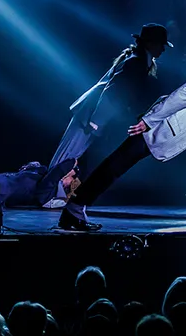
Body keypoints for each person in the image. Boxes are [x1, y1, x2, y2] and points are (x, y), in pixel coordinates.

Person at [58, 44, 186, 231]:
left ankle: (75, 210)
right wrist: (150, 120)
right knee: (113, 167)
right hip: (157, 130)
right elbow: (182, 95)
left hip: (160, 130)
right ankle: (74, 210)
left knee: (114, 166)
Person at [47, 23, 173, 206]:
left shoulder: (140, 61)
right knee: (68, 154)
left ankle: (54, 193)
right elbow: (113, 90)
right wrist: (97, 120)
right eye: (161, 44)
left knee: (74, 154)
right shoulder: (136, 62)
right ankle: (49, 194)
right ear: (151, 43)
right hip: (91, 113)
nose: (163, 49)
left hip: (96, 114)